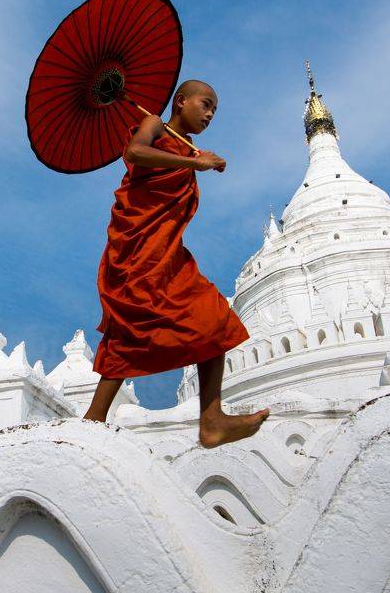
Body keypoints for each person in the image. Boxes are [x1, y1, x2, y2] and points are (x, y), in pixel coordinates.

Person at [83, 79, 270, 447]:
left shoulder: (187, 148)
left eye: (215, 109)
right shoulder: (154, 124)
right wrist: (192, 162)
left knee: (215, 318)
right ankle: (93, 417)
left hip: (167, 254)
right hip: (137, 252)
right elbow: (135, 153)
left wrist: (192, 160)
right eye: (205, 104)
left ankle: (211, 419)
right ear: (181, 101)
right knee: (130, 326)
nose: (210, 113)